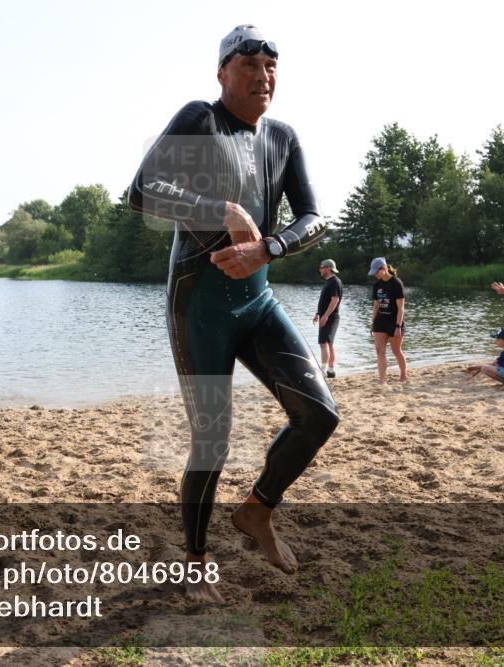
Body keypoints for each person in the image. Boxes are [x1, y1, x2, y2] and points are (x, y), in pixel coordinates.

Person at [128, 25, 338, 602]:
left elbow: (315, 217)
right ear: (222, 72)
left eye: (271, 66)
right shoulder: (200, 119)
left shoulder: (283, 137)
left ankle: (257, 512)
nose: (262, 76)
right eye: (249, 65)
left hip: (257, 297)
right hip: (199, 304)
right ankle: (195, 562)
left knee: (319, 414)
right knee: (211, 438)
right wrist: (220, 209)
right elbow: (141, 190)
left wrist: (268, 248)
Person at [368, 257, 407, 383]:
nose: (374, 274)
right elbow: (376, 305)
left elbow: (401, 308)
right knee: (380, 351)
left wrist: (398, 326)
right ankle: (382, 380)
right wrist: (373, 323)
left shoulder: (396, 283)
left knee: (396, 350)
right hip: (380, 321)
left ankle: (403, 375)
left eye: (376, 272)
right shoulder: (377, 285)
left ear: (384, 269)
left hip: (394, 321)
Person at [314, 259, 342, 379]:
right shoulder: (329, 282)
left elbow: (334, 301)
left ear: (328, 268)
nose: (320, 270)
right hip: (327, 317)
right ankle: (330, 370)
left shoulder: (334, 282)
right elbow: (324, 301)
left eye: (321, 267)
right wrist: (317, 313)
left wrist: (325, 316)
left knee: (323, 343)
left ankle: (323, 370)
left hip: (330, 317)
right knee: (329, 343)